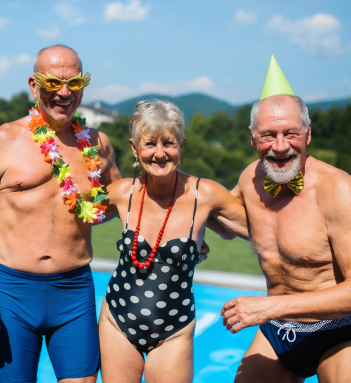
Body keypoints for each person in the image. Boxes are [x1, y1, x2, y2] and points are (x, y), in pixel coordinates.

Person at [0, 45, 121, 383]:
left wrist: (183, 227)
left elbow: (123, 200)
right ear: (34, 86)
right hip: (15, 291)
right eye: (53, 83)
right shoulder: (4, 139)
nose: (64, 93)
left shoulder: (96, 143)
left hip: (74, 290)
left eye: (74, 83)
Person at [220, 57, 351, 382]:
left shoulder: (339, 189)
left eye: (290, 133)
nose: (279, 147)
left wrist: (268, 308)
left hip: (340, 328)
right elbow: (218, 215)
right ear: (252, 138)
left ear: (308, 134)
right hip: (278, 329)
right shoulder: (250, 180)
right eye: (268, 135)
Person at [98, 100, 249, 383]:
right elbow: (75, 218)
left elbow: (259, 230)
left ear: (182, 144)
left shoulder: (204, 194)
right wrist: (5, 228)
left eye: (168, 143)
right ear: (134, 148)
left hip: (174, 330)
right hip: (116, 322)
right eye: (149, 144)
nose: (159, 153)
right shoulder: (121, 193)